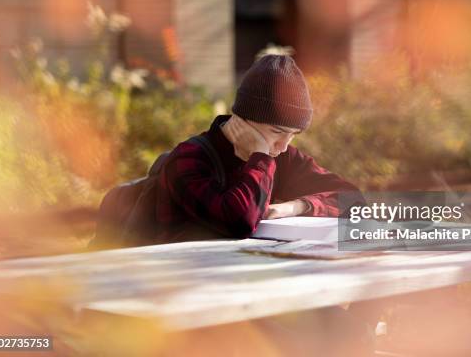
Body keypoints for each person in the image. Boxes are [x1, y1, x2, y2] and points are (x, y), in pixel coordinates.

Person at [155, 52, 362, 242]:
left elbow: (353, 200)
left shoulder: (283, 158)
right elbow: (239, 222)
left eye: (293, 135)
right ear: (244, 118)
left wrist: (296, 207)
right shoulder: (188, 159)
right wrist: (260, 155)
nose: (282, 146)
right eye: (277, 132)